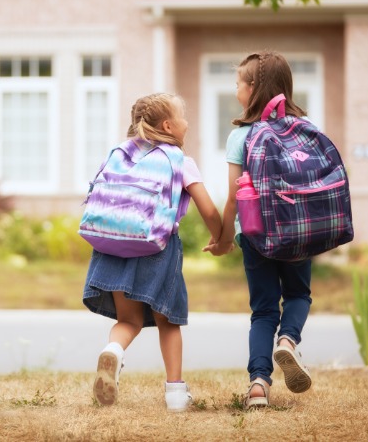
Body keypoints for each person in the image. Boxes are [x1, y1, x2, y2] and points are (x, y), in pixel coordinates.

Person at [82, 92, 223, 412]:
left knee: (128, 320)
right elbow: (210, 211)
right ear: (169, 125)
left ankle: (114, 352)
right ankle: (175, 393)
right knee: (168, 320)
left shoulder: (120, 153)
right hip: (157, 248)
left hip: (113, 243)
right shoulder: (180, 161)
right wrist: (220, 238)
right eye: (183, 116)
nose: (188, 122)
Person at [208, 51, 314, 408]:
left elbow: (233, 198)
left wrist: (223, 239)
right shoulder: (306, 128)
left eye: (238, 83)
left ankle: (257, 385)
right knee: (298, 296)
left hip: (256, 234)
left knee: (264, 310)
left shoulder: (240, 136)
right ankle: (288, 342)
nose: (236, 89)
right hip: (298, 233)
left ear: (253, 88)